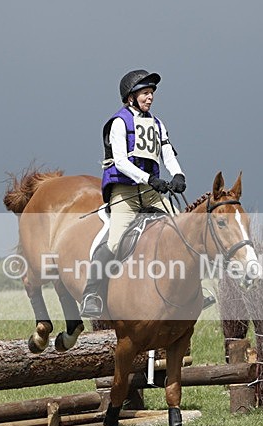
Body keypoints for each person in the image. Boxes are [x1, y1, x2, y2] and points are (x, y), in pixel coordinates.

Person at [80, 69, 187, 318]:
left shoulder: (158, 124)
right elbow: (121, 162)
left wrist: (178, 175)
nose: (150, 98)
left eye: (151, 93)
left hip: (150, 191)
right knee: (115, 241)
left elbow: (167, 153)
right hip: (124, 192)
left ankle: (193, 288)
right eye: (145, 93)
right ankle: (91, 293)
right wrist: (149, 178)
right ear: (131, 97)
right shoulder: (119, 123)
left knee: (182, 230)